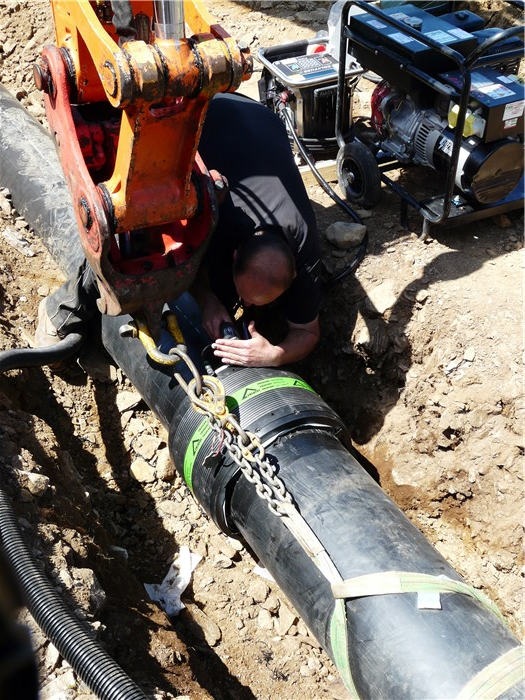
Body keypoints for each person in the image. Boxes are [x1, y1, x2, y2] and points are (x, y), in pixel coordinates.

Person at [36, 92, 322, 369]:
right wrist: (208, 300)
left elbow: (308, 331)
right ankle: (62, 310)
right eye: (245, 297)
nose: (244, 304)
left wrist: (275, 355)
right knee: (130, 221)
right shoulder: (218, 219)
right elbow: (181, 262)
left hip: (259, 119)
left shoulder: (305, 247)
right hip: (200, 117)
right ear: (234, 256)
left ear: (296, 271)